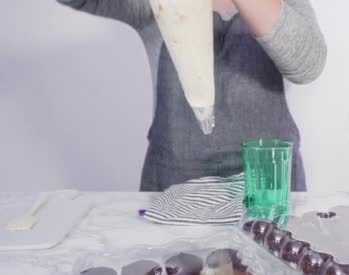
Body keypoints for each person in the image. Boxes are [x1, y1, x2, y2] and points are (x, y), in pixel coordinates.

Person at [56, 0, 327, 191]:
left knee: (271, 272)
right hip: (177, 179)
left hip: (270, 183)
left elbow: (307, 64)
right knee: (173, 272)